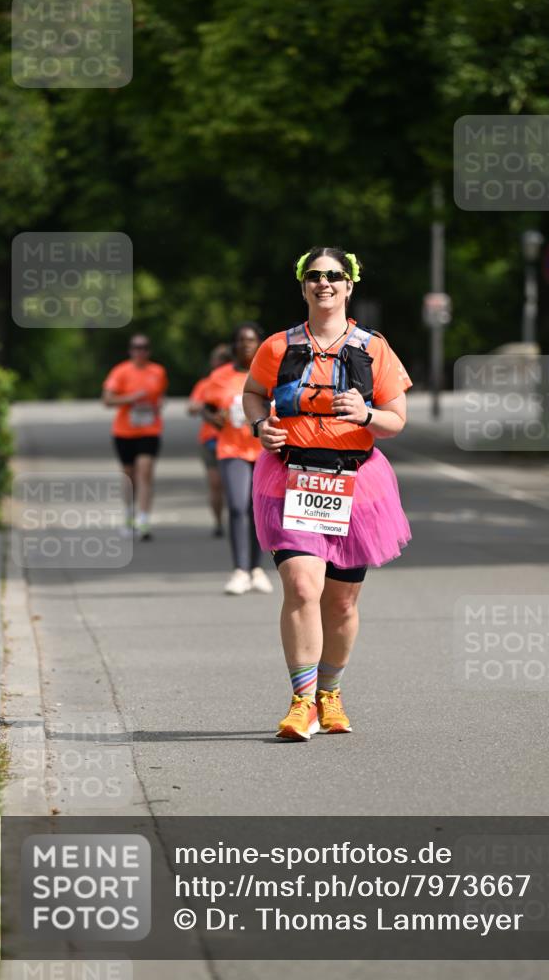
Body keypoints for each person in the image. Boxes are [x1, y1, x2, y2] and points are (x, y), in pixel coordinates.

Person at [243, 247, 411, 740]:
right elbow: (253, 392)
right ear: (302, 286)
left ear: (350, 284)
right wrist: (261, 426)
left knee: (341, 604)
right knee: (300, 586)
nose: (325, 284)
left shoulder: (374, 347)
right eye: (315, 276)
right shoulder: (277, 346)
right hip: (290, 479)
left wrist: (365, 415)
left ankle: (330, 693)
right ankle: (302, 703)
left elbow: (397, 420)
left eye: (334, 276)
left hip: (355, 486)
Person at [204, 323, 273, 595]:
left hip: (264, 450)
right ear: (234, 345)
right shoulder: (220, 376)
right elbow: (207, 410)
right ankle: (240, 570)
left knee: (257, 508)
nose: (246, 345)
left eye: (252, 340)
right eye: (241, 340)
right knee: (236, 506)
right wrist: (216, 419)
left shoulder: (270, 373)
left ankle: (256, 569)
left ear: (259, 344)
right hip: (232, 449)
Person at [102, 334, 168, 541]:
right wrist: (131, 398)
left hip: (149, 430)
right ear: (130, 350)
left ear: (149, 351)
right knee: (129, 475)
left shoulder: (158, 371)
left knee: (145, 471)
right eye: (136, 347)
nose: (140, 351)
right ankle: (129, 515)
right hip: (124, 431)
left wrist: (158, 405)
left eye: (144, 347)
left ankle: (144, 519)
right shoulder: (121, 371)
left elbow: (161, 396)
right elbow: (107, 400)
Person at [188, 344, 233, 537]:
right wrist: (207, 407)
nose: (221, 363)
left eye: (226, 359)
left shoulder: (238, 380)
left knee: (235, 484)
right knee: (215, 484)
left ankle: (239, 518)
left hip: (235, 441)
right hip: (211, 440)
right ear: (213, 362)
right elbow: (191, 408)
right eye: (219, 359)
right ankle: (218, 521)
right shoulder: (206, 384)